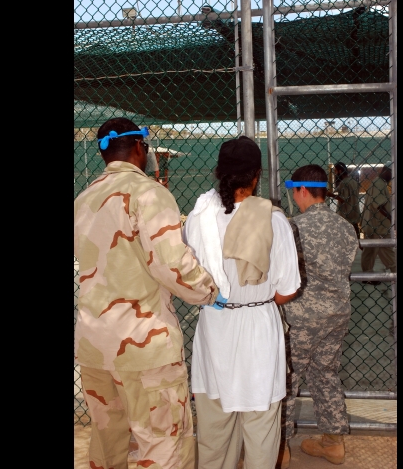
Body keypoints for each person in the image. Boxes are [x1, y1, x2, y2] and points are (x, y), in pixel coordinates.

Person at [74, 117, 222, 469]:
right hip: (144, 346)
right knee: (163, 444)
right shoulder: (150, 194)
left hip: (94, 345)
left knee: (107, 441)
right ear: (141, 147)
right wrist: (208, 291)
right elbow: (171, 266)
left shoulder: (83, 199)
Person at [182, 136, 301, 469]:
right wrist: (258, 299)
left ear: (219, 172)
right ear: (257, 174)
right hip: (258, 328)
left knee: (214, 431)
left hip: (214, 324)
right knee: (261, 429)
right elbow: (287, 290)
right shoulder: (274, 220)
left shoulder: (197, 218)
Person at [279, 164, 359, 467]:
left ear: (301, 190)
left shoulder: (293, 226)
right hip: (337, 314)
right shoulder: (345, 226)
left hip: (302, 316)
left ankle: (279, 449)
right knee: (325, 374)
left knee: (287, 380)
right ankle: (332, 444)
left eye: (294, 192)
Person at [360, 164, 396, 285]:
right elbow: (379, 205)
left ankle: (367, 275)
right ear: (386, 171)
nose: (392, 176)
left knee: (369, 251)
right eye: (391, 173)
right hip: (377, 226)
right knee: (387, 250)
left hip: (371, 224)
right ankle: (395, 271)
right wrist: (392, 219)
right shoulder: (379, 184)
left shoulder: (377, 182)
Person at [327, 161, 361, 238]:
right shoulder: (353, 181)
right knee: (355, 233)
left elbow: (343, 199)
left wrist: (330, 195)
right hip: (354, 212)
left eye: (336, 171)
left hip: (346, 214)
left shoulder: (344, 183)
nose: (335, 173)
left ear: (340, 171)